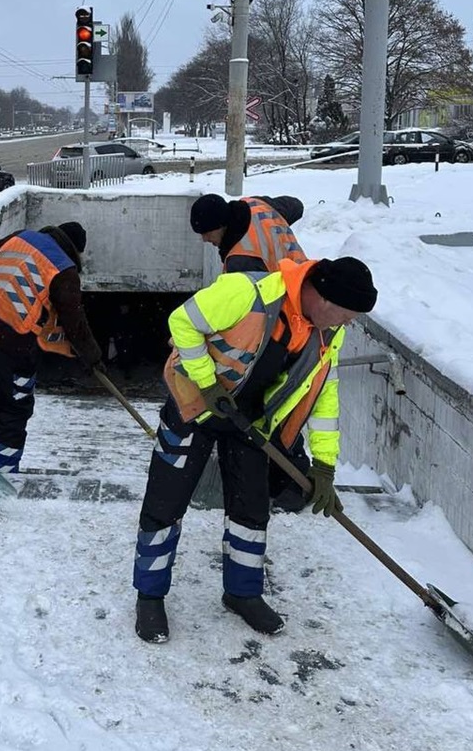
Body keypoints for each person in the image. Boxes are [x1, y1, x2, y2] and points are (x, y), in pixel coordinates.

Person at [133, 254, 378, 643]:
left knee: (251, 509)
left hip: (250, 422)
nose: (347, 324)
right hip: (193, 405)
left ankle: (242, 593)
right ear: (324, 298)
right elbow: (182, 322)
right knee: (166, 502)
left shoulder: (328, 331)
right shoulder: (248, 293)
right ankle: (149, 596)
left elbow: (324, 393)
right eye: (347, 315)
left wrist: (324, 464)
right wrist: (207, 383)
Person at [190, 192, 311, 511]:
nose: (205, 240)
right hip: (305, 302)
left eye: (207, 233)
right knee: (278, 403)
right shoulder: (256, 204)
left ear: (222, 226)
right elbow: (294, 205)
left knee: (269, 404)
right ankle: (288, 480)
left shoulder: (241, 262)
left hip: (285, 327)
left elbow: (244, 314)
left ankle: (293, 485)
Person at [0, 221, 102, 474]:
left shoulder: (20, 237)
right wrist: (92, 357)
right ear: (75, 250)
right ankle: (3, 476)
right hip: (12, 341)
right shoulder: (63, 269)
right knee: (13, 409)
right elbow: (75, 323)